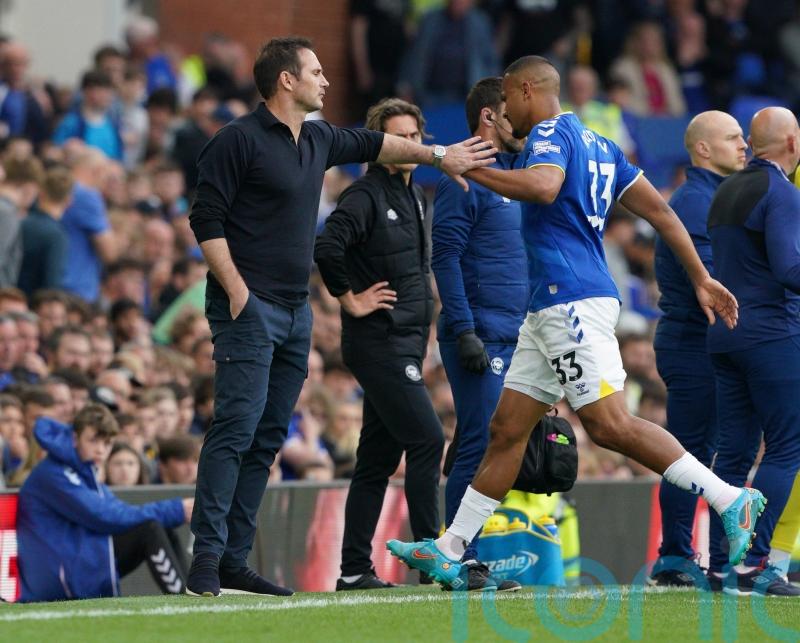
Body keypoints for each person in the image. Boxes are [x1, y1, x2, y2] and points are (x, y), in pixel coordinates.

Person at [386, 55, 763, 590]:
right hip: (552, 306)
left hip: (569, 301)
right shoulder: (602, 146)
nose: (506, 111)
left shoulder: (547, 134)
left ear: (524, 90)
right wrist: (700, 277)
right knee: (506, 430)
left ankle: (730, 498)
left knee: (610, 426)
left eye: (508, 100)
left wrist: (467, 166)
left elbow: (542, 186)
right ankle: (451, 548)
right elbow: (660, 212)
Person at [186, 36, 495, 598]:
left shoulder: (320, 138)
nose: (326, 81)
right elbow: (205, 219)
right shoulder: (237, 140)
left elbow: (378, 143)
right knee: (235, 429)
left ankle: (233, 560)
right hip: (249, 309)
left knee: (266, 437)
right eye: (316, 71)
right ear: (286, 80)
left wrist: (440, 156)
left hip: (295, 311)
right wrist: (238, 295)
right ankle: (205, 560)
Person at [314, 97, 445, 590]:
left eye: (415, 136)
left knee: (374, 462)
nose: (409, 144)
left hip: (405, 342)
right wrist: (350, 299)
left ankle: (352, 570)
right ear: (378, 144)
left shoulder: (417, 195)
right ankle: (435, 556)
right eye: (398, 137)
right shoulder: (365, 195)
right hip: (379, 343)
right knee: (428, 438)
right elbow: (326, 246)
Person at [432, 77, 527, 591]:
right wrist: (464, 329)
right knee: (480, 441)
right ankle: (462, 560)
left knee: (499, 443)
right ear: (489, 116)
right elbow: (443, 256)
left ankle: (469, 553)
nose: (526, 125)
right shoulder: (462, 178)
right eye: (516, 113)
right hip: (480, 335)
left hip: (516, 335)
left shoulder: (516, 175)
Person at [648, 111, 749, 587]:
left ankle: (692, 555)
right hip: (694, 343)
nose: (743, 144)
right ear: (703, 149)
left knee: (702, 450)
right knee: (687, 454)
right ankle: (675, 556)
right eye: (732, 138)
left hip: (705, 344)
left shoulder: (713, 199)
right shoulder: (694, 203)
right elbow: (718, 285)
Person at [705, 107, 800, 597]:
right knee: (787, 446)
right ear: (791, 143)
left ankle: (721, 566)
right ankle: (760, 566)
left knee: (735, 452)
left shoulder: (726, 189)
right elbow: (788, 269)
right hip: (770, 335)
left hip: (726, 336)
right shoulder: (780, 191)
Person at [16, 404, 193, 601]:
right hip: (59, 575)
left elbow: (116, 510)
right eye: (93, 441)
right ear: (75, 438)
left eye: (107, 443)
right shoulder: (54, 473)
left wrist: (172, 512)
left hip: (79, 558)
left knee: (160, 527)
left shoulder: (83, 469)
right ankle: (181, 599)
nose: (100, 450)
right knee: (149, 529)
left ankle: (189, 590)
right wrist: (176, 509)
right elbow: (104, 516)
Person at [18, 165, 74, 295]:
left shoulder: (22, 223)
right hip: (34, 305)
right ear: (68, 200)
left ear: (41, 193)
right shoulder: (56, 235)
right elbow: (52, 283)